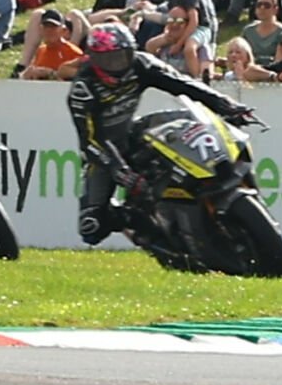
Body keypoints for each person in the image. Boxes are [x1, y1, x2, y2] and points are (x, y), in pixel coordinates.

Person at [67, 22, 256, 251]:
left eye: (122, 56)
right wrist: (121, 172)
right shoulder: (83, 88)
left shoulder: (141, 64)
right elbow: (89, 142)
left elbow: (184, 84)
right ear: (95, 59)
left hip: (135, 135)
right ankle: (149, 234)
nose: (118, 66)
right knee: (91, 227)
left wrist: (225, 104)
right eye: (109, 60)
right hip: (106, 152)